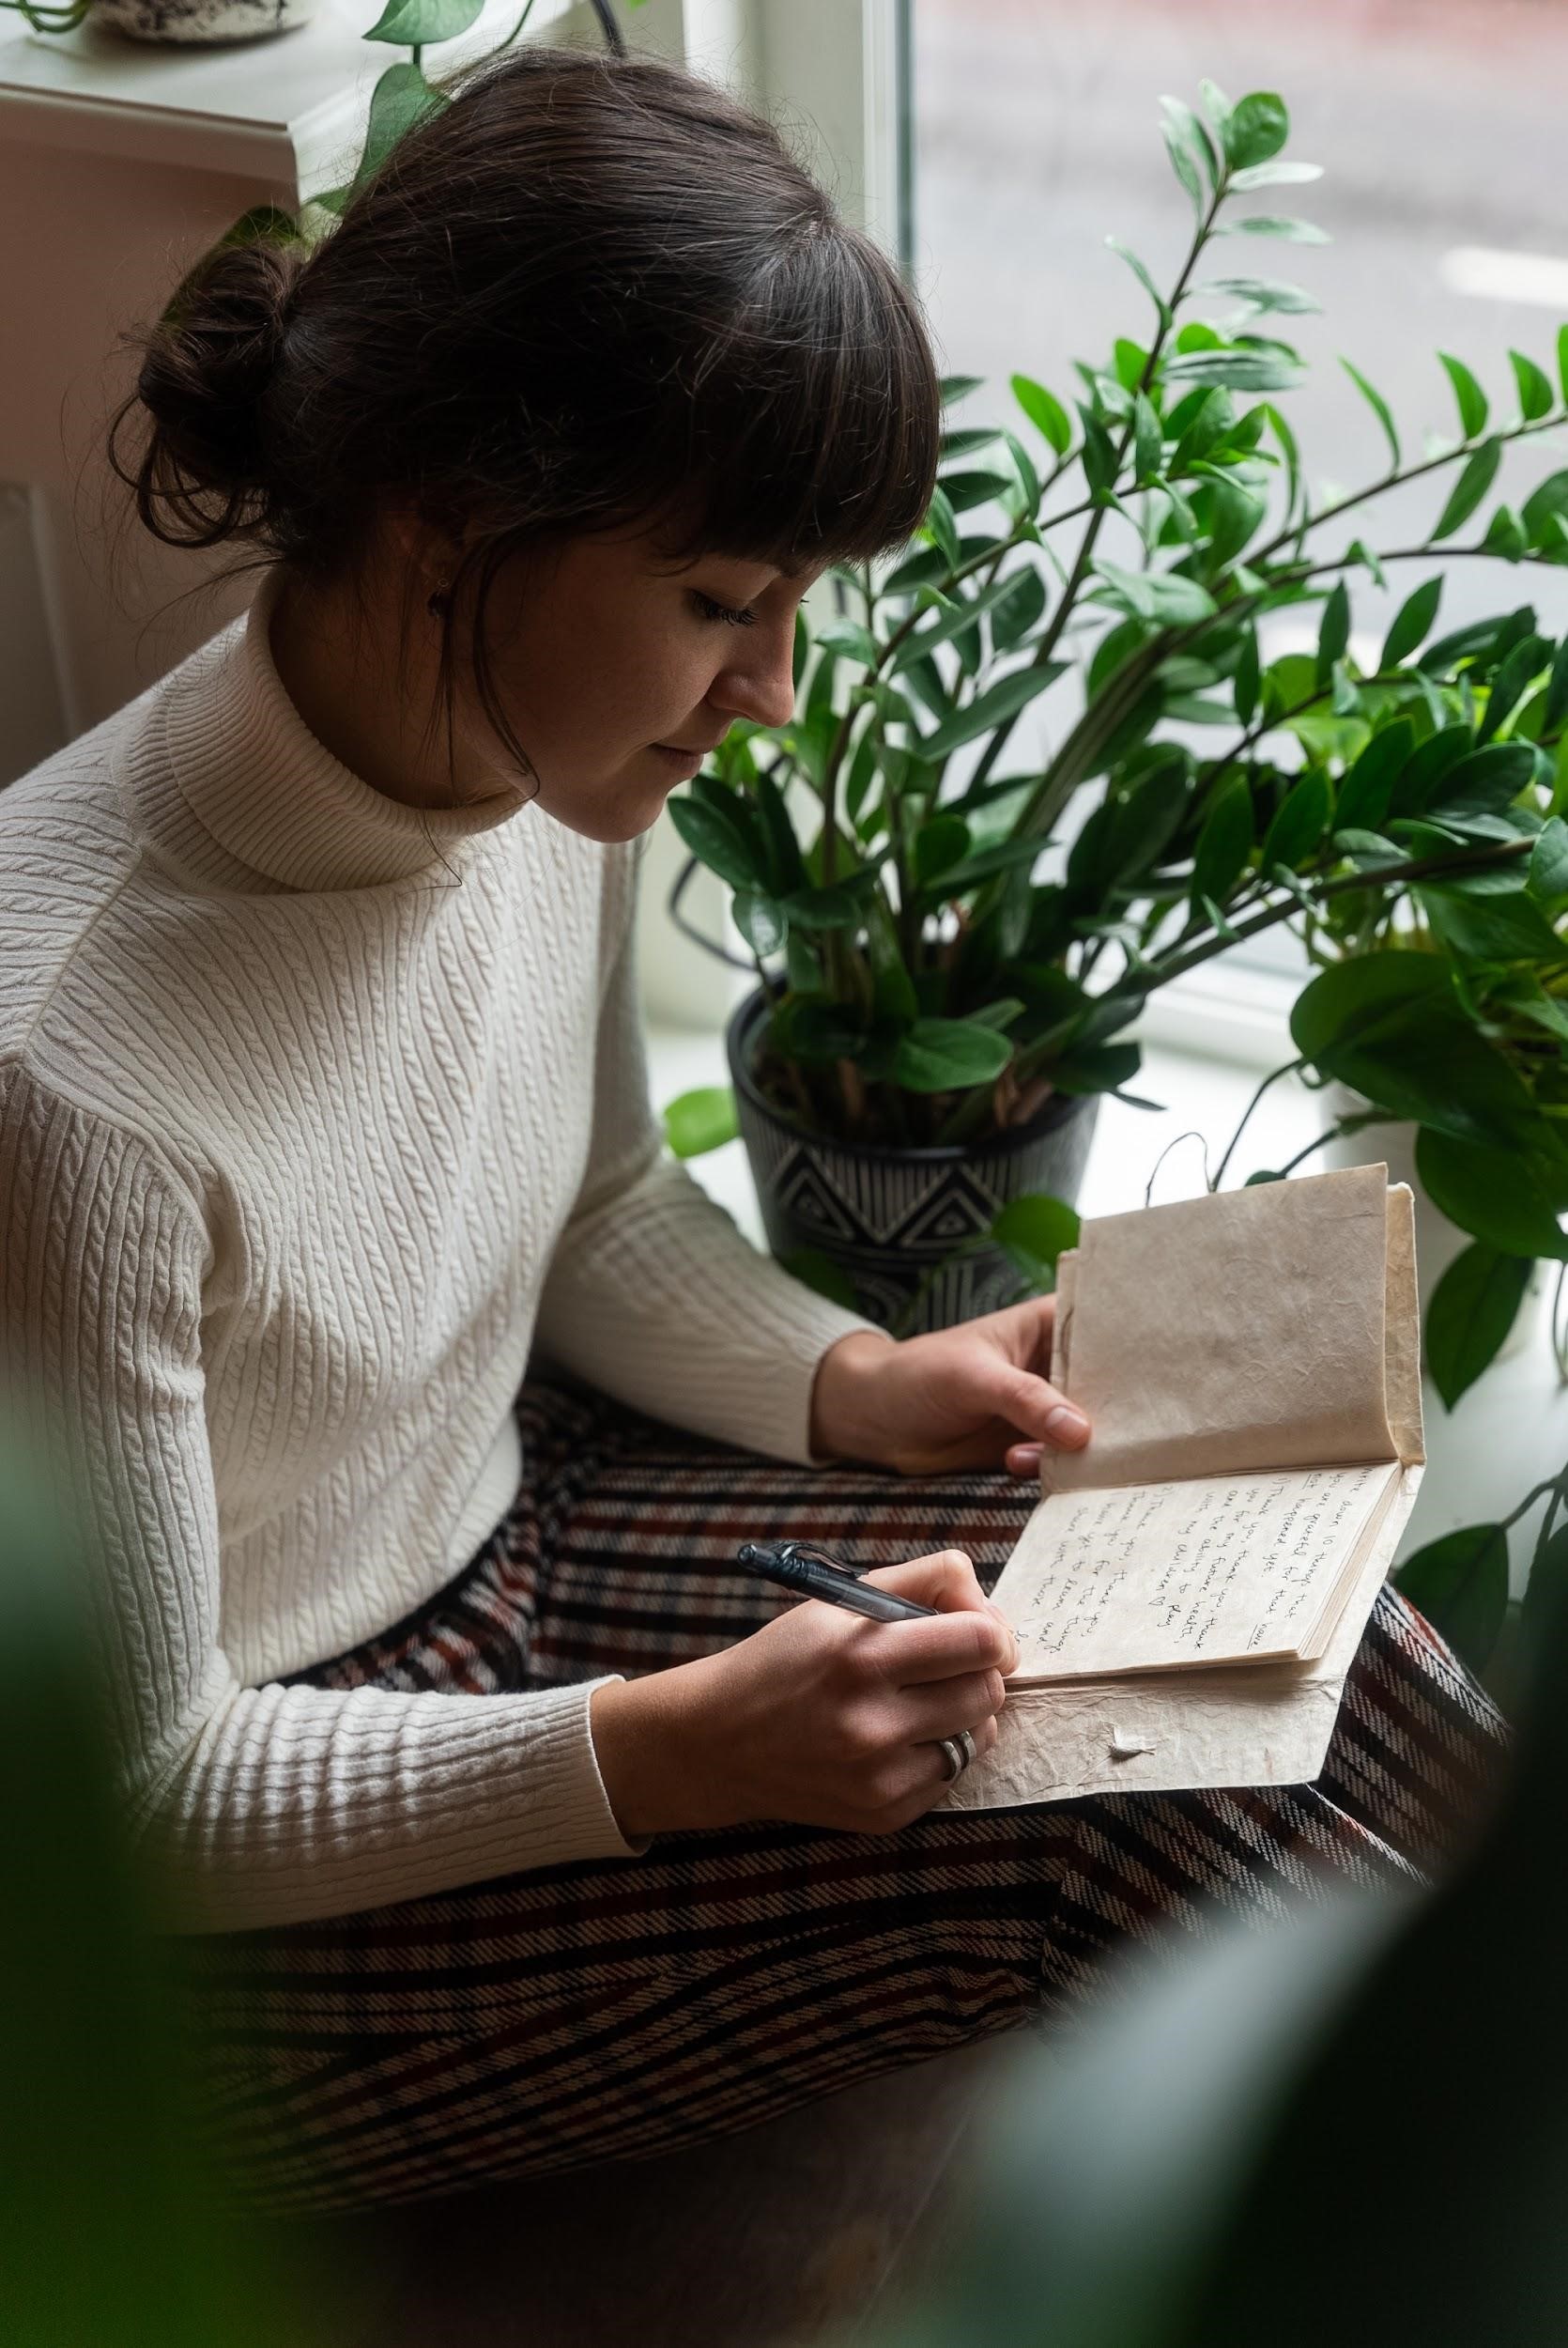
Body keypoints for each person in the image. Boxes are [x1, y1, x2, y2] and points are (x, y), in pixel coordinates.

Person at [0, 43, 1506, 2216]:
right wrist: (662, 1750)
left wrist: (855, 1377)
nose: (774, 689)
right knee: (1099, 1818)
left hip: (509, 1533)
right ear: (447, 533)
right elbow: (123, 1795)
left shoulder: (529, 760)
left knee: (1266, 1641)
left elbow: (595, 1201)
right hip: (199, 1927)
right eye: (724, 601)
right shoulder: (61, 1067)